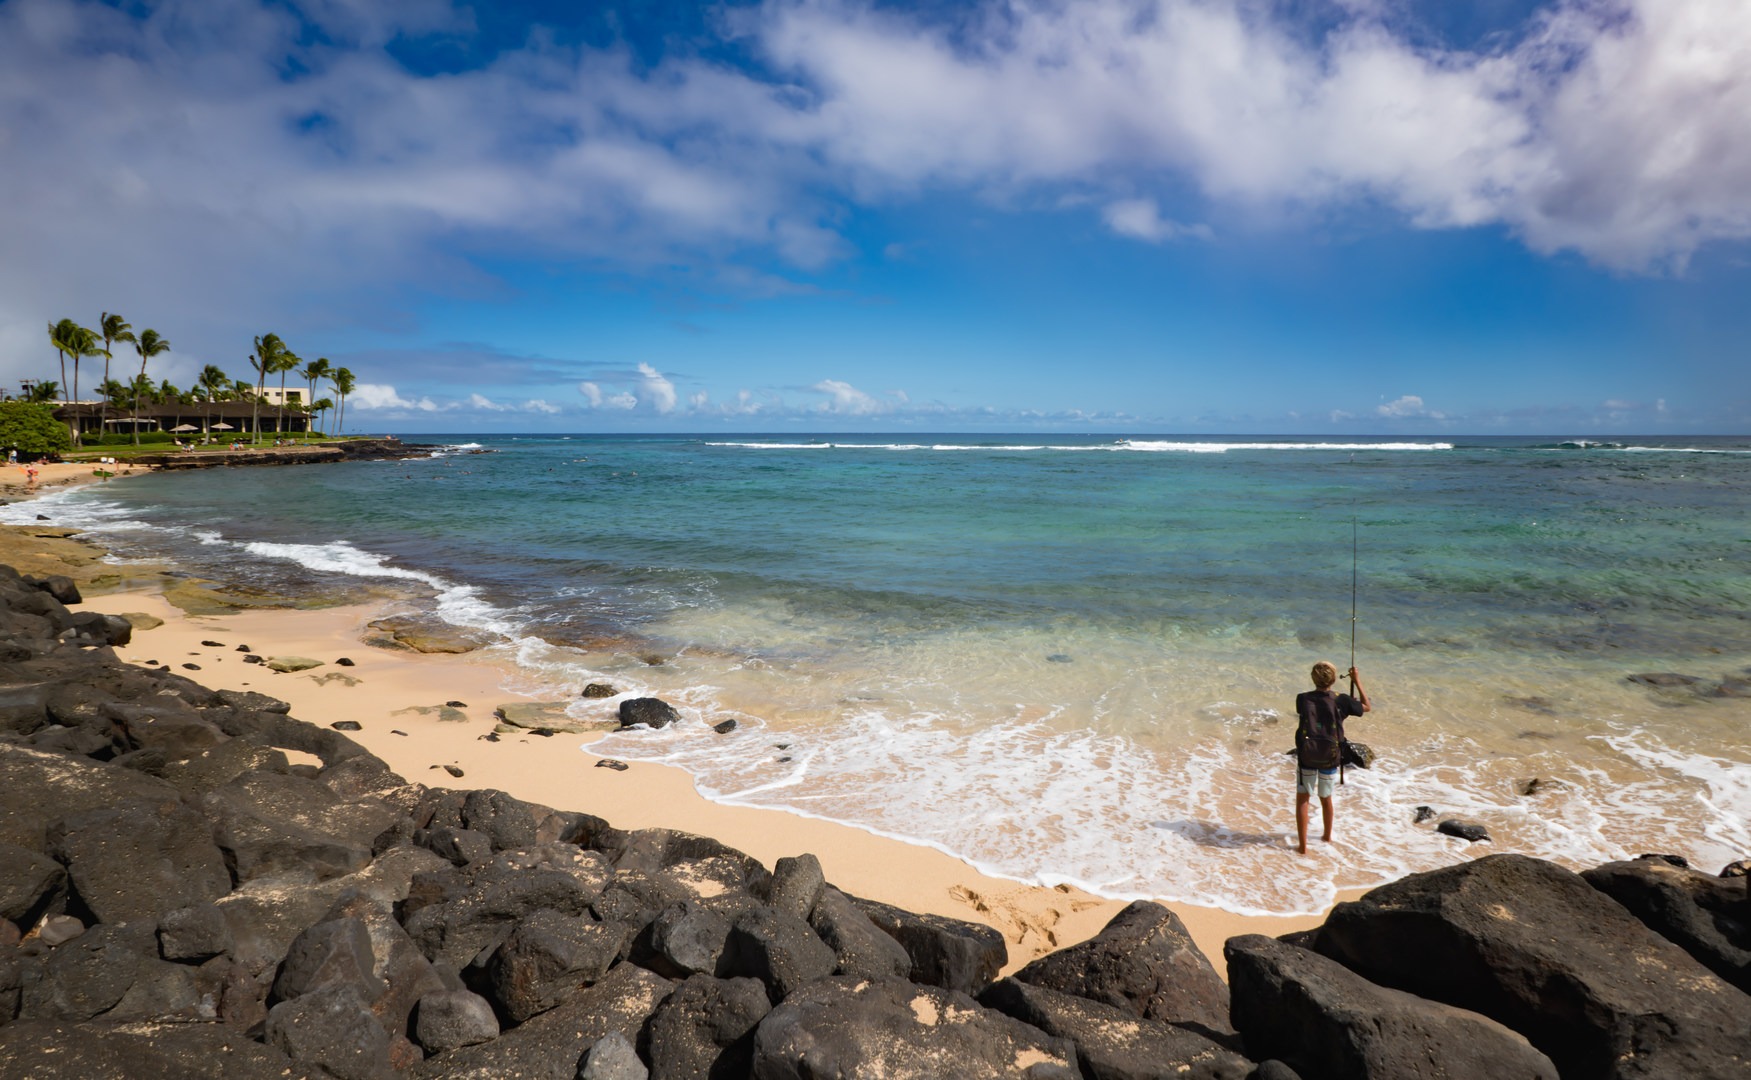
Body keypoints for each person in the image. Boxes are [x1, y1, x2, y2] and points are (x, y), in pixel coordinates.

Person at [1294, 661, 1370, 855]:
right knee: (1326, 798)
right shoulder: (1341, 700)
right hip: (1331, 755)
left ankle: (1303, 847)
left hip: (1307, 755)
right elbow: (1366, 707)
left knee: (1303, 799)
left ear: (1313, 678)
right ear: (1334, 679)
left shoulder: (1302, 699)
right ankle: (1327, 837)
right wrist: (1357, 680)